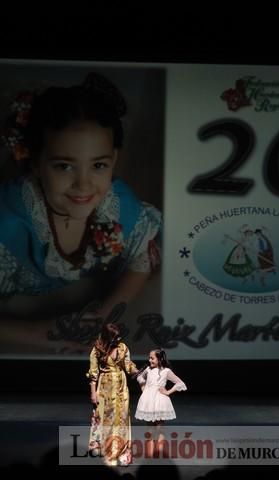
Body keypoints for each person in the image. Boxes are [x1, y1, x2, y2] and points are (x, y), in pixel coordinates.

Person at [0, 72, 161, 352]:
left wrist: (101, 318)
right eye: (64, 166)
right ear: (36, 162)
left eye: (98, 165)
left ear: (113, 160)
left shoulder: (117, 203)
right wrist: (39, 333)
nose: (84, 185)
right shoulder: (10, 224)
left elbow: (143, 255)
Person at [86, 322, 138, 466]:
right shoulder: (97, 350)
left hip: (121, 388)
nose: (118, 339)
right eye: (114, 337)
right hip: (105, 388)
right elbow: (93, 374)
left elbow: (128, 365)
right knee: (105, 418)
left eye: (118, 336)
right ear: (107, 337)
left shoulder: (123, 348)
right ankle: (108, 451)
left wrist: (137, 372)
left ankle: (121, 451)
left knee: (121, 418)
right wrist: (93, 394)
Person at [135, 348, 187, 456]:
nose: (149, 360)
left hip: (160, 401)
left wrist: (168, 392)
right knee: (149, 430)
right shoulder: (148, 369)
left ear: (159, 359)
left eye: (152, 358)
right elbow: (139, 377)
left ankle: (159, 456)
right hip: (148, 401)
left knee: (159, 429)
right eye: (149, 358)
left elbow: (180, 383)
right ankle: (149, 456)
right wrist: (144, 388)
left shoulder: (166, 371)